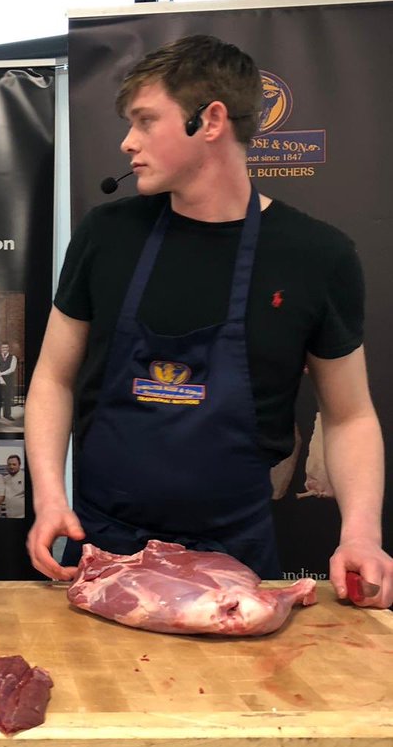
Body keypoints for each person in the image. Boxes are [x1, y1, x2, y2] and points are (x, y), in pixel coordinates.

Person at [26, 33, 393, 608]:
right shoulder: (107, 236)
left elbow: (348, 416)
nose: (127, 142)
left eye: (146, 121)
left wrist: (362, 535)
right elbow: (51, 378)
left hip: (237, 565)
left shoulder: (319, 255)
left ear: (211, 120)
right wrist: (50, 496)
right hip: (103, 554)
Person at [0, 341, 17, 420]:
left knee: (8, 397)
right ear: (1, 348)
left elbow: (12, 369)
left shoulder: (13, 357)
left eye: (6, 347)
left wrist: (1, 374)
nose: (4, 349)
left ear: (8, 348)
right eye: (3, 347)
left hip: (9, 379)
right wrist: (0, 378)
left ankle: (7, 414)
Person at [3, 453, 25, 518]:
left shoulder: (24, 477)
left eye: (14, 464)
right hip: (9, 514)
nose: (11, 467)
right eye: (9, 464)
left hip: (22, 515)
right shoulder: (5, 478)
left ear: (19, 465)